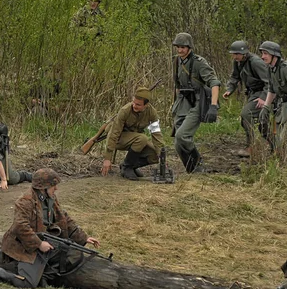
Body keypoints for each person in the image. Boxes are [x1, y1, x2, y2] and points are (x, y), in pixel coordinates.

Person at [0, 168, 100, 288]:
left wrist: (84, 237)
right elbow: (20, 226)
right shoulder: (25, 201)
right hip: (24, 245)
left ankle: (42, 275)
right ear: (43, 187)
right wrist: (39, 244)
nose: (56, 188)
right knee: (28, 283)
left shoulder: (50, 199)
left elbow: (64, 218)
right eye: (53, 185)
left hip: (43, 240)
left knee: (71, 253)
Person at [171, 32, 221, 173]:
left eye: (183, 47)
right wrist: (176, 105)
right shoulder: (176, 61)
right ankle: (191, 169)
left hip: (198, 100)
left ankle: (197, 161)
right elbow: (178, 85)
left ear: (189, 47)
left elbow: (214, 83)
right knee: (177, 142)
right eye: (178, 47)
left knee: (182, 136)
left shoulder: (199, 63)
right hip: (183, 101)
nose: (180, 50)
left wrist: (213, 105)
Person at [101, 87, 164, 180]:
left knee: (154, 155)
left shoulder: (152, 113)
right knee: (142, 138)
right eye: (134, 102)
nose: (134, 105)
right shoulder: (125, 111)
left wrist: (162, 155)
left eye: (138, 104)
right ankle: (127, 167)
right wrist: (107, 158)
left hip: (136, 140)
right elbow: (114, 133)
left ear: (146, 105)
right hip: (120, 139)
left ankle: (129, 166)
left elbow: (156, 134)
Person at [222, 41, 270, 157]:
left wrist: (263, 98)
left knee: (246, 114)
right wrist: (230, 89)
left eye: (236, 54)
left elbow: (269, 82)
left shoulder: (256, 62)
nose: (234, 56)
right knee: (251, 121)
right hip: (252, 94)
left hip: (263, 93)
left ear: (243, 53)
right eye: (233, 54)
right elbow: (235, 77)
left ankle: (251, 147)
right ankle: (271, 144)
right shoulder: (238, 62)